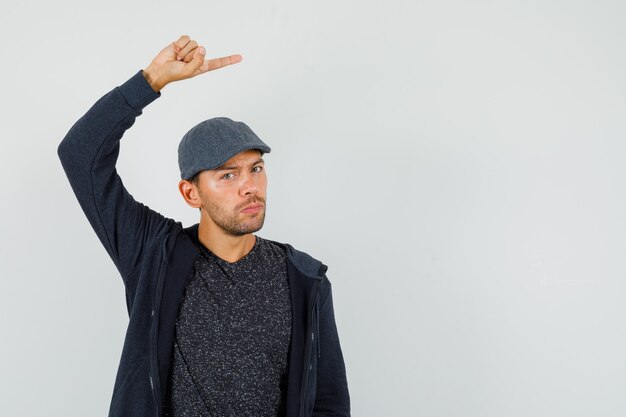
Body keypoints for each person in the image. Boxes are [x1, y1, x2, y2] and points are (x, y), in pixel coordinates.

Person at [57, 35, 350, 417]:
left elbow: (327, 401)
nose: (249, 186)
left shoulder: (304, 278)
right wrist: (149, 82)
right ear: (190, 193)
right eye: (227, 176)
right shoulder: (153, 253)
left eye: (255, 169)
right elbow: (79, 154)